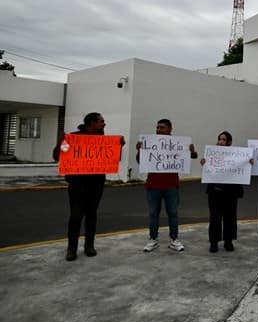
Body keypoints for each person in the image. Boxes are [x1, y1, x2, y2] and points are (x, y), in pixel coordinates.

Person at [52, 112, 124, 261]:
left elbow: (115, 159)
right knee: (76, 216)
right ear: (92, 123)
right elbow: (57, 156)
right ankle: (71, 248)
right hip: (77, 184)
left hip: (96, 183)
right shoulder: (74, 138)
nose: (104, 124)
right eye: (101, 121)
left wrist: (119, 146)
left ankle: (89, 246)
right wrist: (60, 143)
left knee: (92, 215)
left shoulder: (103, 140)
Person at [136, 119, 198, 253]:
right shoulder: (150, 143)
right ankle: (153, 239)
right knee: (153, 214)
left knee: (173, 213)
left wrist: (192, 151)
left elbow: (192, 156)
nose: (159, 130)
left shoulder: (178, 144)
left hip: (171, 185)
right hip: (153, 185)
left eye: (162, 128)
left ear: (170, 129)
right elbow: (139, 161)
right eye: (157, 127)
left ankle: (174, 239)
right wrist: (140, 151)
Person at [201, 131, 245, 253]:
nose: (220, 141)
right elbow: (208, 170)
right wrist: (204, 164)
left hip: (230, 193)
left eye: (224, 139)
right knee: (215, 218)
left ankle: (228, 241)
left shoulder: (236, 156)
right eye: (219, 139)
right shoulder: (211, 155)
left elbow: (244, 167)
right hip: (215, 192)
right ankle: (214, 243)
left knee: (230, 217)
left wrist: (249, 163)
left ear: (229, 142)